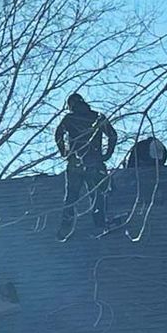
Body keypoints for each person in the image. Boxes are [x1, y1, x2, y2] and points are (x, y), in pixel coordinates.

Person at [53, 93, 118, 240]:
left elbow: (58, 134)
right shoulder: (97, 117)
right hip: (94, 162)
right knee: (96, 194)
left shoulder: (69, 119)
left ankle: (66, 226)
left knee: (71, 196)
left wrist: (64, 152)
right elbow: (112, 135)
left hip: (75, 162)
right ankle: (99, 223)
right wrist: (107, 155)